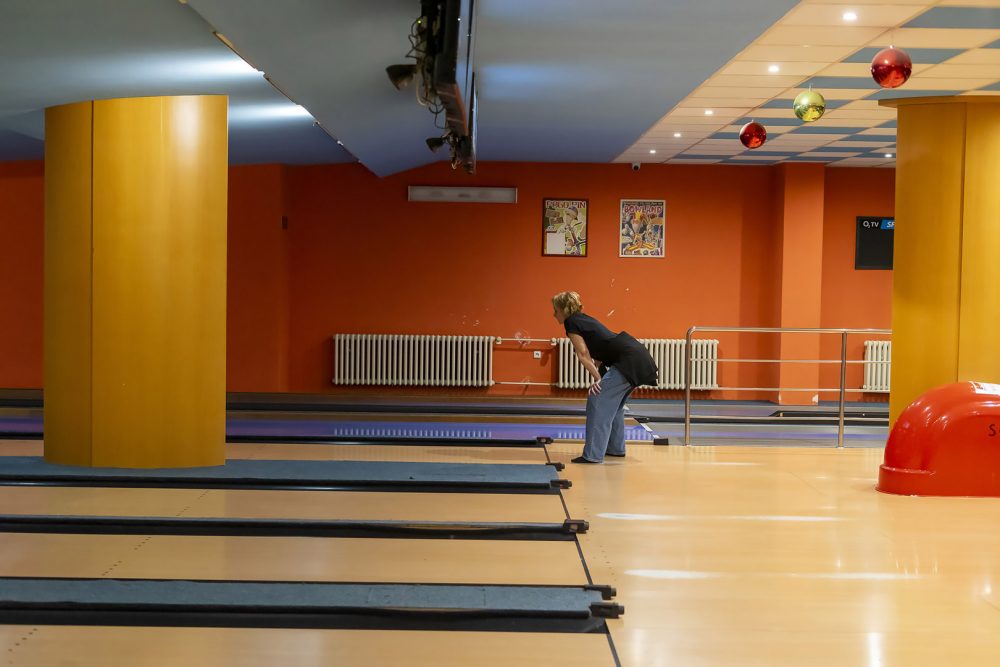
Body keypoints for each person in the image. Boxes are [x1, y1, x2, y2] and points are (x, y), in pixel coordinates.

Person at [552, 291, 658, 463]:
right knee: (614, 406)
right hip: (636, 355)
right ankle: (615, 449)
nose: (554, 314)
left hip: (628, 360)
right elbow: (600, 354)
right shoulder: (583, 319)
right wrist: (600, 375)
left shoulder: (571, 322)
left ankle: (593, 455)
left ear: (563, 309)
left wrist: (597, 379)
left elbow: (583, 354)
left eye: (555, 310)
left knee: (598, 398)